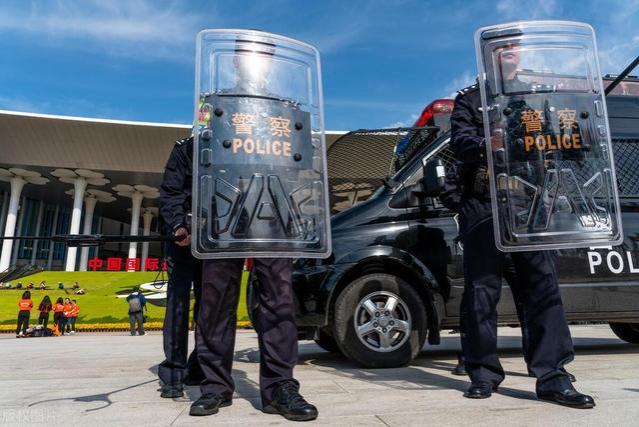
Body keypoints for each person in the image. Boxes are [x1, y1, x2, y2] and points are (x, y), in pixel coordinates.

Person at [450, 42, 594, 408]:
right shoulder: (470, 100)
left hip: (530, 204)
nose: (508, 52)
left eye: (514, 46)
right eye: (501, 48)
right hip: (485, 204)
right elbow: (462, 143)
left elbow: (565, 142)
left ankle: (553, 375)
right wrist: (489, 141)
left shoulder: (536, 97)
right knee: (482, 293)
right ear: (488, 56)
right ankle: (483, 373)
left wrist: (577, 133)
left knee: (542, 288)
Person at [187, 32, 318, 421]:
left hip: (273, 207)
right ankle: (214, 387)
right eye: (246, 56)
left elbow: (302, 158)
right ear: (235, 62)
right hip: (225, 205)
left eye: (262, 57)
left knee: (277, 301)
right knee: (215, 301)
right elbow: (200, 149)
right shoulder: (213, 103)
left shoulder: (285, 106)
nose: (253, 62)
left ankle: (280, 388)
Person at [158, 134, 204, 399]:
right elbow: (171, 191)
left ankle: (199, 366)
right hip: (182, 238)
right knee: (177, 303)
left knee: (209, 306)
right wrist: (178, 225)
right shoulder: (186, 148)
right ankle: (174, 371)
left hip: (216, 239)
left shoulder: (233, 149)